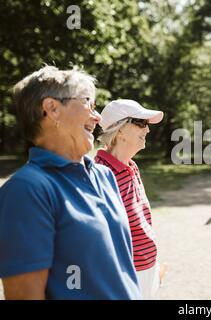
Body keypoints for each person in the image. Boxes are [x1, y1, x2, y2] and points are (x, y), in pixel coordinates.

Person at [0, 66, 141, 300]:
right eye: (87, 103)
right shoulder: (27, 190)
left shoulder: (104, 177)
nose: (97, 118)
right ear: (52, 109)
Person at [95, 99, 163, 299]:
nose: (148, 130)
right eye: (141, 123)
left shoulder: (131, 166)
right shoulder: (101, 172)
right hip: (125, 273)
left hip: (146, 267)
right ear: (120, 130)